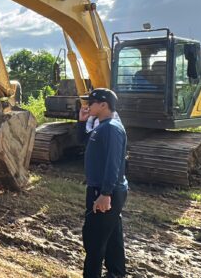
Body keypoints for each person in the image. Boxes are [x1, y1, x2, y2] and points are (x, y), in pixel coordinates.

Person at [78, 88, 128, 278]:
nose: (87, 106)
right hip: (103, 189)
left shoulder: (111, 128)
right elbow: (84, 141)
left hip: (105, 191)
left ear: (103, 105)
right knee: (113, 237)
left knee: (94, 240)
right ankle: (116, 274)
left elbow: (113, 162)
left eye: (91, 103)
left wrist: (105, 194)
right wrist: (81, 123)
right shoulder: (102, 126)